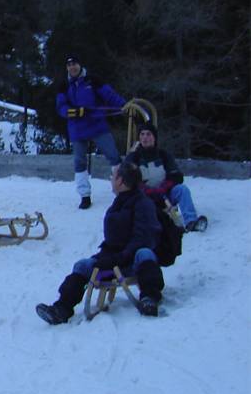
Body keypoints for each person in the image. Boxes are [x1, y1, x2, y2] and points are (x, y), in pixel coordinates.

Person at [35, 161, 165, 323]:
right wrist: (104, 257)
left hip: (133, 261)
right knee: (82, 265)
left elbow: (142, 238)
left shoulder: (142, 203)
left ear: (121, 181)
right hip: (115, 258)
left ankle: (149, 299)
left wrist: (120, 257)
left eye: (113, 176)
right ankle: (62, 308)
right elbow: (113, 238)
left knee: (145, 253)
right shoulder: (119, 202)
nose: (111, 179)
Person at [56, 55, 127, 209]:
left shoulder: (92, 80)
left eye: (74, 64)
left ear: (80, 65)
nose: (72, 67)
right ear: (66, 68)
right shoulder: (64, 85)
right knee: (79, 162)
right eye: (69, 65)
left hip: (97, 125)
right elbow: (60, 106)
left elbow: (109, 95)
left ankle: (122, 191)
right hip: (77, 129)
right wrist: (72, 111)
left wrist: (124, 105)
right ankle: (85, 195)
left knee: (113, 156)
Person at [124, 122, 208, 232]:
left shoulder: (164, 155)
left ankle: (191, 221)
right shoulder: (133, 157)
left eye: (148, 134)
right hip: (143, 196)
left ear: (154, 138)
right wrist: (144, 189)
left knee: (182, 190)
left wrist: (164, 187)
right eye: (142, 134)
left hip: (164, 195)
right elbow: (127, 179)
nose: (145, 138)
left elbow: (176, 176)